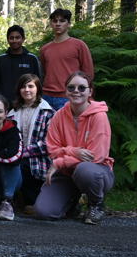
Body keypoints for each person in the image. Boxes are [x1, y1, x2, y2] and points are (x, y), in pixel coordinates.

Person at [35, 71, 114, 225]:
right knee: (44, 211)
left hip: (96, 171)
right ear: (66, 91)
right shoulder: (58, 116)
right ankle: (73, 202)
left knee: (85, 169)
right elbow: (52, 149)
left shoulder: (99, 116)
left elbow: (96, 156)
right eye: (71, 88)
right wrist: (74, 151)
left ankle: (96, 204)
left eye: (81, 88)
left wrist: (60, 162)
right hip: (66, 174)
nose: (76, 91)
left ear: (90, 91)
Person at [7, 74, 55, 210]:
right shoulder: (12, 113)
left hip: (39, 160)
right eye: (23, 86)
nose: (26, 90)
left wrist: (23, 152)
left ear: (38, 89)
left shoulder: (48, 112)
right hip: (17, 157)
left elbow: (49, 143)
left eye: (30, 86)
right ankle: (12, 199)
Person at [40, 8, 94, 111]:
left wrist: (87, 96)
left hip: (69, 96)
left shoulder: (79, 45)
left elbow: (88, 74)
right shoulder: (44, 49)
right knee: (48, 127)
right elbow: (44, 73)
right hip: (46, 97)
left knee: (70, 127)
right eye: (55, 21)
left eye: (62, 21)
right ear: (51, 24)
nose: (58, 24)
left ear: (69, 24)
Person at [0, 25, 42, 104]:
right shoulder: (1, 59)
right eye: (11, 38)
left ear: (23, 39)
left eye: (17, 37)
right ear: (8, 40)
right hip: (4, 103)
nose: (14, 40)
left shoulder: (32, 58)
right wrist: (0, 99)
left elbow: (38, 82)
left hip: (26, 102)